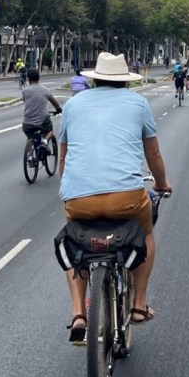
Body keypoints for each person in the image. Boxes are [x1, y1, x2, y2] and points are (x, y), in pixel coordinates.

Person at [58, 53, 172, 342]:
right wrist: (162, 184)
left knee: (74, 244)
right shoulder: (138, 103)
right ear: (125, 82)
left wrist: (70, 189)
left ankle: (77, 314)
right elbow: (154, 154)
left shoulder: (72, 104)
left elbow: (64, 158)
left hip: (78, 199)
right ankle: (138, 305)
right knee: (146, 233)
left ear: (94, 78)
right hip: (127, 198)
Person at [22, 69, 62, 143]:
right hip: (42, 122)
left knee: (31, 137)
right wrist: (58, 109)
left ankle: (30, 151)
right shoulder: (46, 90)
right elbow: (54, 102)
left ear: (28, 79)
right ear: (39, 78)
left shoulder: (25, 91)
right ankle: (45, 141)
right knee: (50, 131)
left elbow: (25, 101)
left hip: (27, 124)